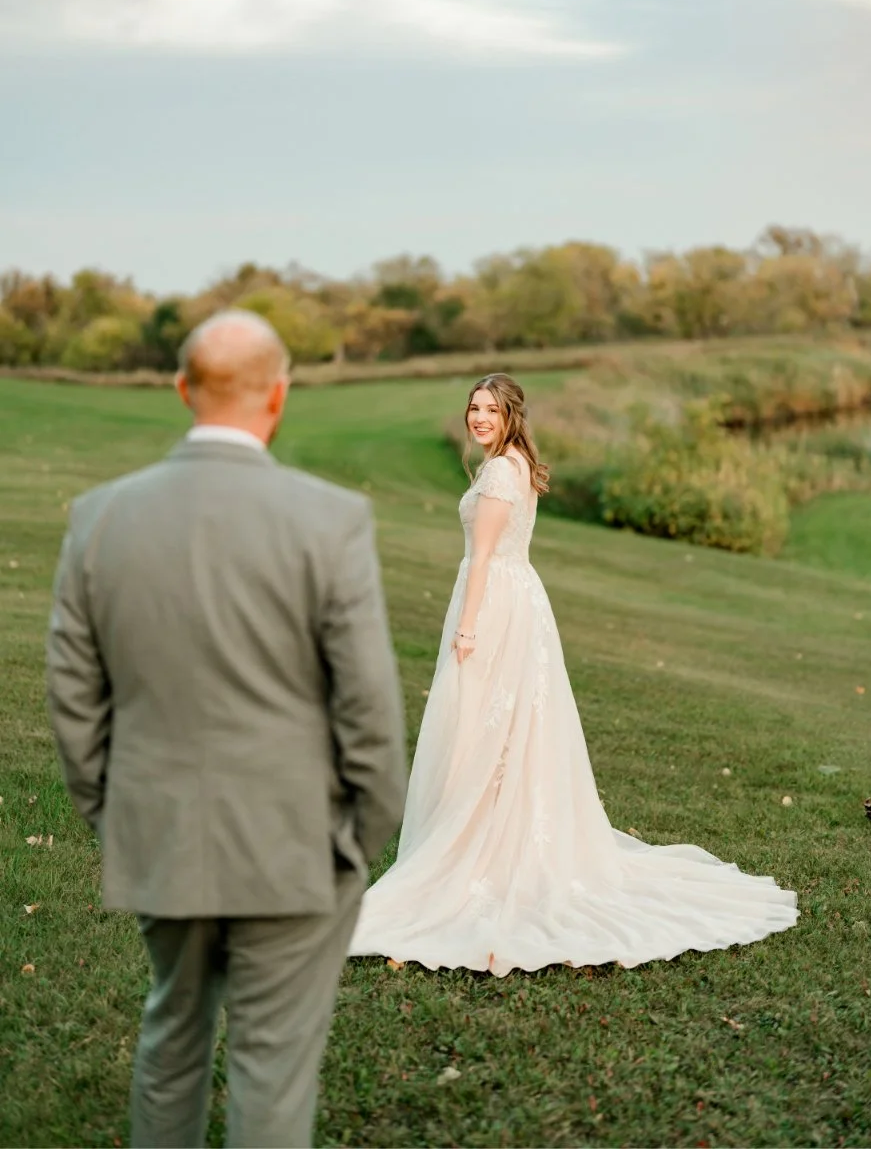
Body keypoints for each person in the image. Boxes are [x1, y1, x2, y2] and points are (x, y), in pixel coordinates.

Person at [46, 310, 407, 1148]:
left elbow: (73, 695)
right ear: (279, 395)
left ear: (181, 390)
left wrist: (114, 810)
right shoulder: (329, 519)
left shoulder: (99, 518)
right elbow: (369, 709)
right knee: (271, 1065)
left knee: (171, 1032)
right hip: (295, 840)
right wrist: (361, 835)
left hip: (160, 826)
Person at [349, 372, 798, 976]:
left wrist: (467, 626)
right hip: (517, 596)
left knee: (482, 724)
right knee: (506, 729)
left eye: (490, 408)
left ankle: (481, 850)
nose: (478, 417)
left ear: (511, 414)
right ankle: (490, 835)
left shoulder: (501, 471)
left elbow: (481, 555)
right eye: (472, 408)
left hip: (495, 603)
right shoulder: (513, 464)